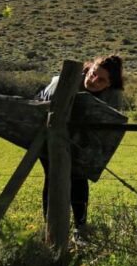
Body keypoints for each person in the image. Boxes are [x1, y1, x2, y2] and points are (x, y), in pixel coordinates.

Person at [37, 55, 124, 241]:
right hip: (48, 136)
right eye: (93, 74)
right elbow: (42, 111)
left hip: (81, 142)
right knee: (53, 177)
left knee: (78, 177)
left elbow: (108, 127)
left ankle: (80, 229)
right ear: (88, 69)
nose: (94, 81)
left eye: (101, 80)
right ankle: (51, 229)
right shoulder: (62, 83)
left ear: (109, 84)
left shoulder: (112, 98)